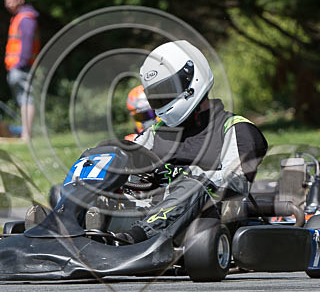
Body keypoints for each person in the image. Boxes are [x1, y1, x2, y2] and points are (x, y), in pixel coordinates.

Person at [115, 40, 268, 244]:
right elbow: (129, 169)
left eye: (167, 90)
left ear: (192, 79)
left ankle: (134, 240)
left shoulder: (235, 128)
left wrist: (179, 181)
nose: (163, 99)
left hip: (209, 223)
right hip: (144, 216)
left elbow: (234, 184)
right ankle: (70, 235)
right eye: (157, 96)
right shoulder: (155, 134)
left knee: (195, 185)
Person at [4, 0, 40, 142]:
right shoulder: (19, 18)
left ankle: (27, 134)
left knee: (27, 100)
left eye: (12, 0)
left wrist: (21, 63)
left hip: (23, 66)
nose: (8, 4)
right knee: (23, 100)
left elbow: (27, 41)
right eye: (6, 1)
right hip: (18, 66)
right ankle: (26, 134)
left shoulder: (25, 19)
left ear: (21, 0)